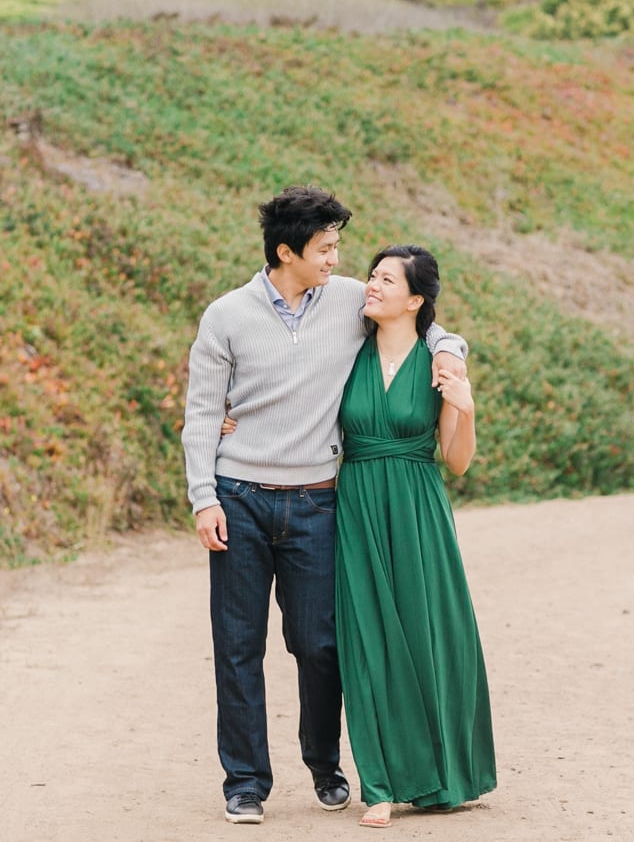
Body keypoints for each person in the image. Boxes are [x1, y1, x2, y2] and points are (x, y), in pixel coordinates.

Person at [180, 186, 468, 826]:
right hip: (240, 498)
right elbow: (202, 413)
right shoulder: (225, 315)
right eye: (326, 248)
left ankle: (324, 763)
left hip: (317, 501)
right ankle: (246, 783)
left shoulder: (346, 302)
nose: (339, 259)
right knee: (237, 646)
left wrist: (451, 351)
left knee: (320, 644)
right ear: (288, 252)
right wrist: (205, 498)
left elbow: (420, 321)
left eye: (338, 245)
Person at [335, 244, 496, 829]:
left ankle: (448, 774)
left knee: (432, 634)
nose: (370, 286)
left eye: (384, 279)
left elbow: (456, 462)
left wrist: (465, 407)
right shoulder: (346, 350)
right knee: (367, 639)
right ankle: (379, 785)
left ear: (416, 299)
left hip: (418, 507)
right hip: (355, 505)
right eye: (372, 276)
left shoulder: (441, 362)